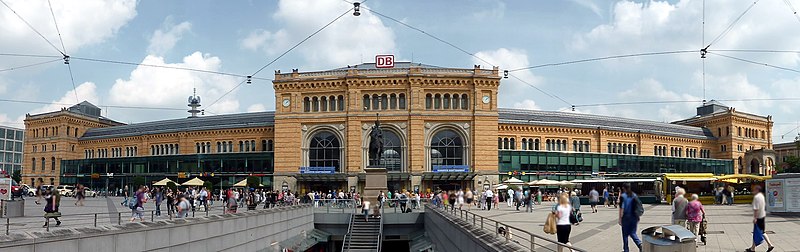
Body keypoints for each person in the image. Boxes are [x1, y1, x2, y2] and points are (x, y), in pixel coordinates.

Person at [746, 186, 775, 252]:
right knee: (758, 232)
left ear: (757, 190)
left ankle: (769, 245)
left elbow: (756, 209)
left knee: (759, 232)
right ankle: (752, 248)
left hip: (758, 217)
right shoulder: (761, 196)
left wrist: (755, 218)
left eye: (754, 190)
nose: (753, 191)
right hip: (762, 216)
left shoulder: (756, 197)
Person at [619, 183, 642, 252]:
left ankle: (626, 250)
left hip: (626, 218)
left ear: (623, 188)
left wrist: (620, 218)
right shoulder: (634, 195)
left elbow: (621, 208)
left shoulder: (623, 196)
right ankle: (639, 244)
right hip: (634, 217)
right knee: (632, 232)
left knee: (625, 235)